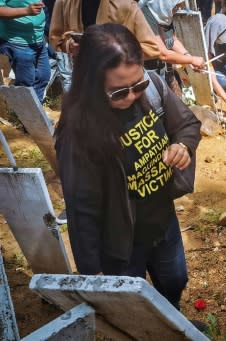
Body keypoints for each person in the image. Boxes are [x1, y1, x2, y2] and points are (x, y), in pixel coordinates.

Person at [55, 24, 201, 310]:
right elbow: (80, 207)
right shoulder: (78, 132)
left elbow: (186, 124)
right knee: (131, 306)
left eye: (138, 84)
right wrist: (92, 271)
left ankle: (171, 326)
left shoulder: (154, 89)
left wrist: (182, 146)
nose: (133, 96)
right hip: (120, 242)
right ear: (92, 83)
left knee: (175, 281)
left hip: (163, 221)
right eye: (119, 92)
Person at [49, 0, 160, 60]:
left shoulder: (125, 5)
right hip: (84, 82)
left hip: (121, 86)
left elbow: (151, 48)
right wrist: (70, 46)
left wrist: (114, 49)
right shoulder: (64, 3)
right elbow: (56, 39)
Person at [0, 0, 50, 103]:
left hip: (39, 40)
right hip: (18, 42)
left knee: (43, 76)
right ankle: (24, 115)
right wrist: (26, 11)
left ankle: (34, 113)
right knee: (26, 84)